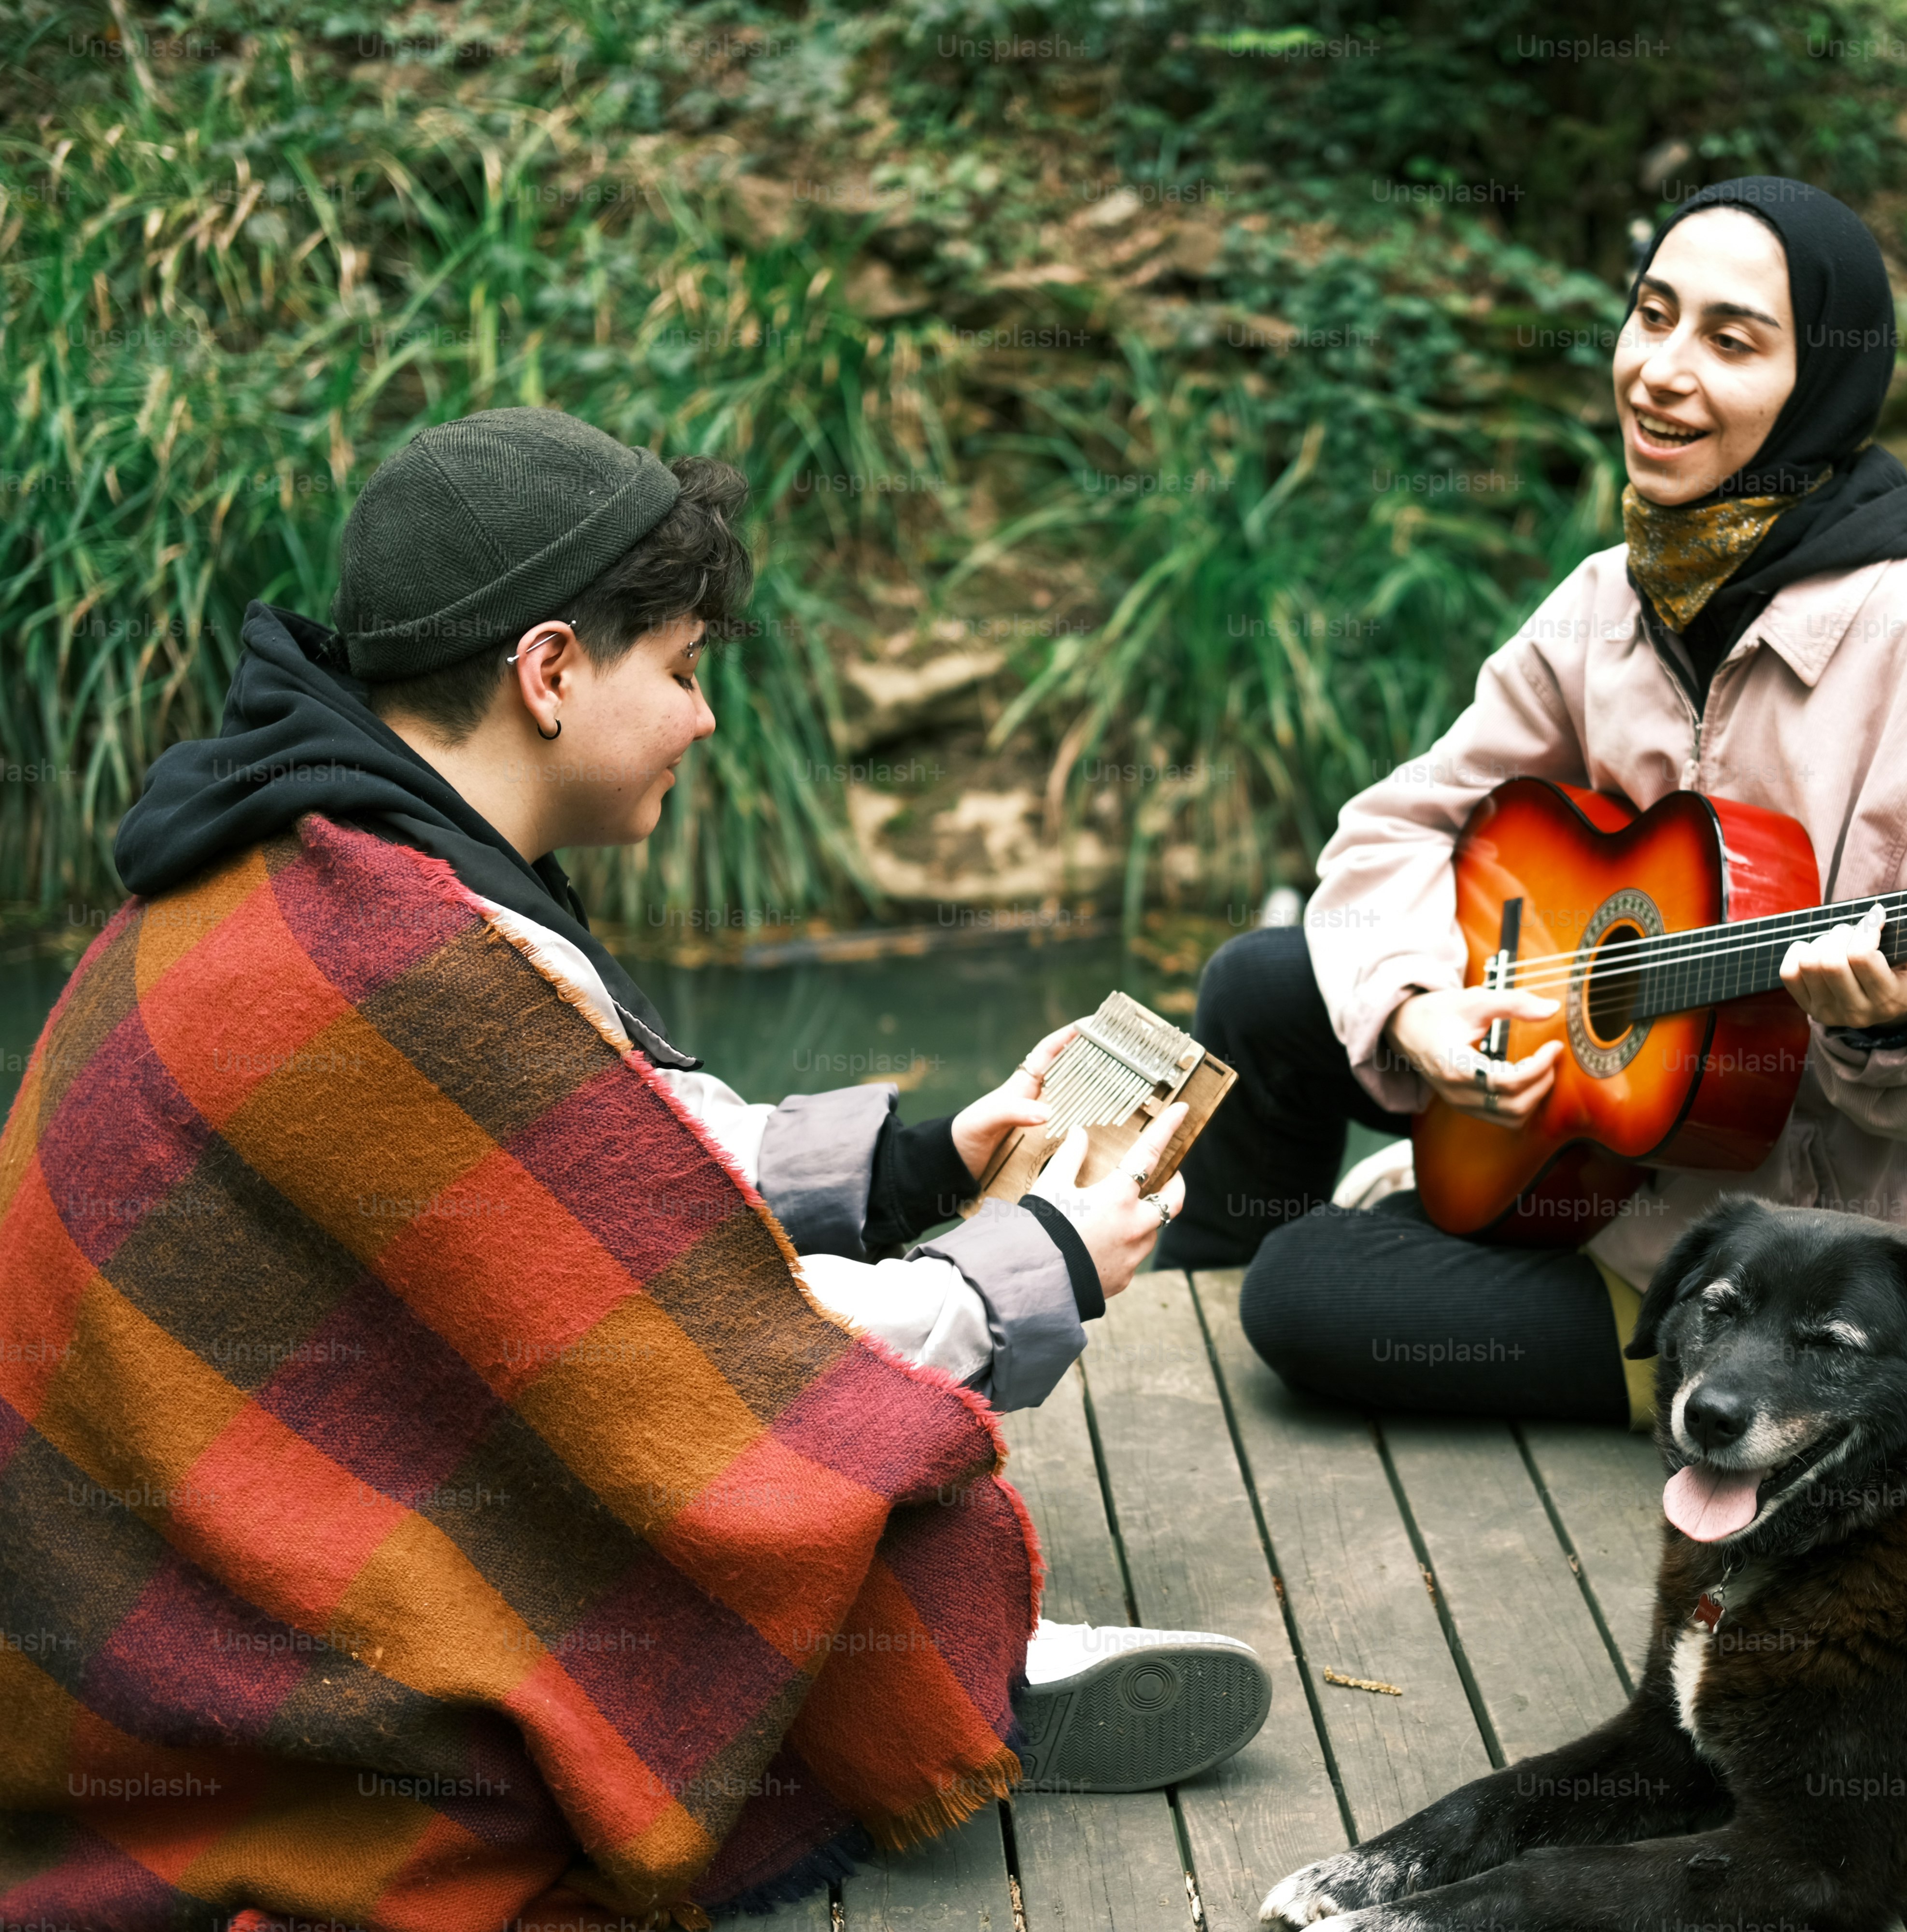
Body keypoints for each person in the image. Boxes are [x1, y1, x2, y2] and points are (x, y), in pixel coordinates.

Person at [0, 411, 1264, 1932]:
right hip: (222, 1681)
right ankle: (898, 1697)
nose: (705, 717)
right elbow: (706, 1374)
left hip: (128, 1590)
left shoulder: (318, 830)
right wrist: (1030, 1270)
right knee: (840, 1516)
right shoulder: (410, 957)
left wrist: (924, 1165)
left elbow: (607, 1167)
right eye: (679, 668)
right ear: (549, 674)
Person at [1158, 178, 1907, 1427]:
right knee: (1258, 990)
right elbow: (1399, 826)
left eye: (1731, 341)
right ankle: (1157, 1386)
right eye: (1652, 315)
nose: (1660, 371)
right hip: (1605, 1150)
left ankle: (1594, 1326)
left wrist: (1894, 1022)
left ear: (1822, 385)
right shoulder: (1617, 595)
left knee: (1305, 1287)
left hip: (1781, 1272)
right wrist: (1421, 1013)